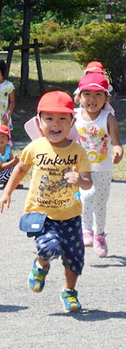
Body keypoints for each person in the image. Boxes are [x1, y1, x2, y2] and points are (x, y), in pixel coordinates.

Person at [0, 91, 93, 312]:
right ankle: (41, 265)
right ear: (39, 122)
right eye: (49, 119)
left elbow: (88, 181)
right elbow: (20, 169)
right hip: (42, 214)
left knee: (74, 258)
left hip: (70, 216)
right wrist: (6, 192)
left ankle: (69, 292)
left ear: (72, 122)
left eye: (62, 119)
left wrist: (81, 180)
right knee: (50, 247)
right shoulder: (35, 147)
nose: (55, 124)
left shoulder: (78, 151)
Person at [74, 73, 123, 257]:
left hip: (102, 169)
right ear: (79, 96)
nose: (92, 100)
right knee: (87, 196)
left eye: (98, 95)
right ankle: (86, 230)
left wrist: (118, 150)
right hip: (82, 168)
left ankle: (99, 235)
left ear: (106, 98)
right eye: (87, 94)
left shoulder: (107, 118)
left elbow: (116, 142)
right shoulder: (74, 116)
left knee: (101, 204)